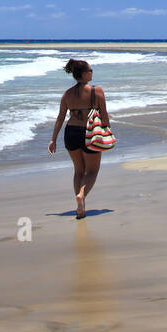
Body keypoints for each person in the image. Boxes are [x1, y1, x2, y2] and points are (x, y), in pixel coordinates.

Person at [48, 58, 112, 219]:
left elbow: (60, 118)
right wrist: (107, 131)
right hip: (90, 133)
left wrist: (53, 140)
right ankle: (82, 196)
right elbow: (104, 115)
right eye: (90, 71)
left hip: (70, 133)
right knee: (92, 170)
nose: (92, 73)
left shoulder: (67, 94)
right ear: (83, 74)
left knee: (78, 170)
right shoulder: (96, 91)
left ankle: (80, 208)